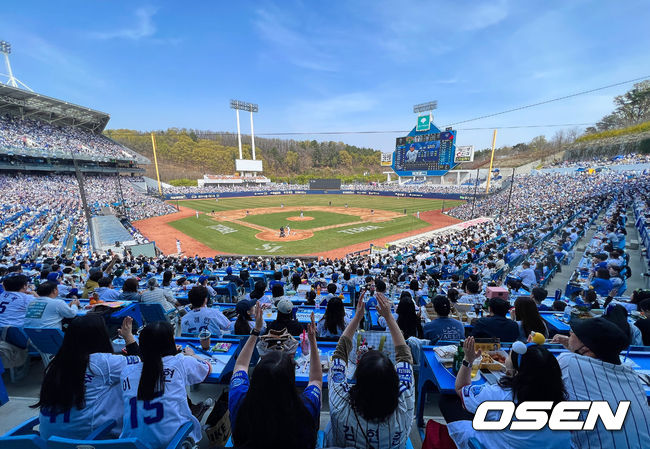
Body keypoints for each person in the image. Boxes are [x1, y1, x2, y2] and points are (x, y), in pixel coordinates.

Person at [441, 336, 570, 449]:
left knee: (448, 400)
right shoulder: (561, 400)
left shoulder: (502, 394)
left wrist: (468, 360)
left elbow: (461, 389)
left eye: (510, 355)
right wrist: (531, 353)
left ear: (517, 372)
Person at [325, 290, 414, 449]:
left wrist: (357, 317)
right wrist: (389, 317)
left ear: (357, 380)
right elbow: (405, 356)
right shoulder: (404, 403)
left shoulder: (340, 401)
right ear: (394, 381)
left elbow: (339, 354)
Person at [32, 315, 140, 440]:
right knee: (125, 380)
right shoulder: (102, 362)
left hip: (51, 439)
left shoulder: (55, 363)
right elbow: (140, 363)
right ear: (101, 337)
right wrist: (129, 337)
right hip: (87, 439)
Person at [229, 305, 322, 449]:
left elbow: (240, 365)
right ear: (291, 379)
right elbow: (316, 379)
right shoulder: (306, 406)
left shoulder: (239, 399)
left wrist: (255, 331)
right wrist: (313, 340)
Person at [551, 317, 650, 447]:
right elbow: (590, 357)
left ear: (586, 348)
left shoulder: (569, 362)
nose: (569, 335)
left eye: (572, 333)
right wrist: (574, 346)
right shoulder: (631, 375)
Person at [120, 321, 212, 448]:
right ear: (170, 343)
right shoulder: (181, 362)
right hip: (171, 443)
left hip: (131, 444)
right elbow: (207, 368)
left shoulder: (127, 371)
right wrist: (193, 355)